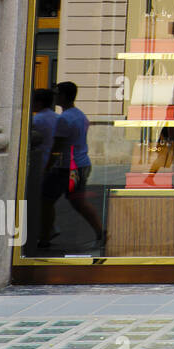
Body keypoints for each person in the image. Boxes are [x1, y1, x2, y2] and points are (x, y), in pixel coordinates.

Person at [44, 81, 105, 250]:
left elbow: (58, 147)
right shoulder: (79, 115)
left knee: (47, 199)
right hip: (79, 163)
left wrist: (47, 165)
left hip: (69, 167)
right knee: (74, 201)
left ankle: (46, 234)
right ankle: (99, 232)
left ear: (63, 96)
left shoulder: (65, 118)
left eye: (57, 94)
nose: (55, 97)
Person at [27, 88, 59, 250]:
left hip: (39, 163)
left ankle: (41, 232)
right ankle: (49, 229)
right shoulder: (56, 117)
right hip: (50, 162)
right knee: (46, 201)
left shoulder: (36, 120)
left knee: (39, 200)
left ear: (38, 102)